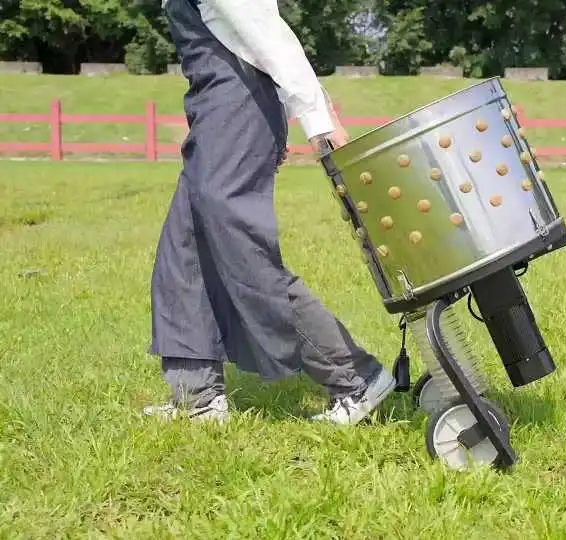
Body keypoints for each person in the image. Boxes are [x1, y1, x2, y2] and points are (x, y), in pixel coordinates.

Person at [142, 0, 395, 424]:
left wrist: (318, 117)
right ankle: (197, 396)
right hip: (215, 109)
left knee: (241, 256)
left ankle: (357, 379)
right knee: (183, 248)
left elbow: (265, 31)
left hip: (238, 109)